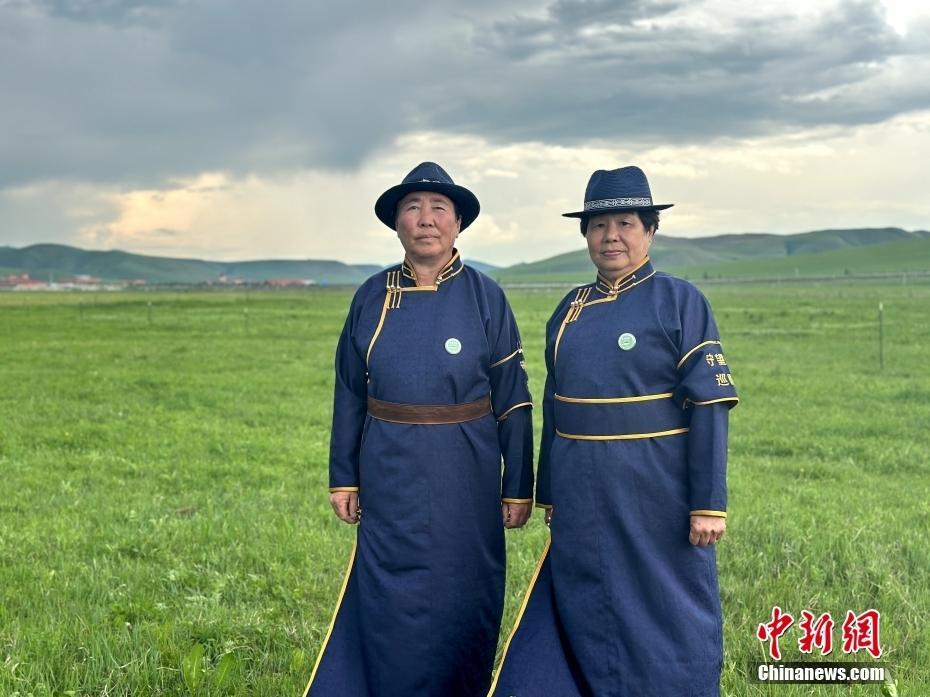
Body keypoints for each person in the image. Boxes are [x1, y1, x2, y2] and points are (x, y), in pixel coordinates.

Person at [490, 166, 738, 697]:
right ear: (585, 235)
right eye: (599, 225)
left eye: (626, 223)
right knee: (588, 602)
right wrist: (549, 492)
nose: (612, 236)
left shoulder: (680, 301)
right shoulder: (569, 311)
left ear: (650, 231)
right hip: (582, 496)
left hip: (658, 494)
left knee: (669, 608)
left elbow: (711, 404)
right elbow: (556, 411)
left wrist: (709, 503)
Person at [304, 162, 534, 697]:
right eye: (413, 207)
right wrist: (344, 477)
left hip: (468, 468)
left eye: (438, 209)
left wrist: (518, 485)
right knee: (391, 591)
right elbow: (349, 392)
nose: (425, 219)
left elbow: (514, 400)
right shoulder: (371, 296)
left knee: (465, 587)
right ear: (396, 223)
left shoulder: (485, 296)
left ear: (457, 224)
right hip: (389, 467)